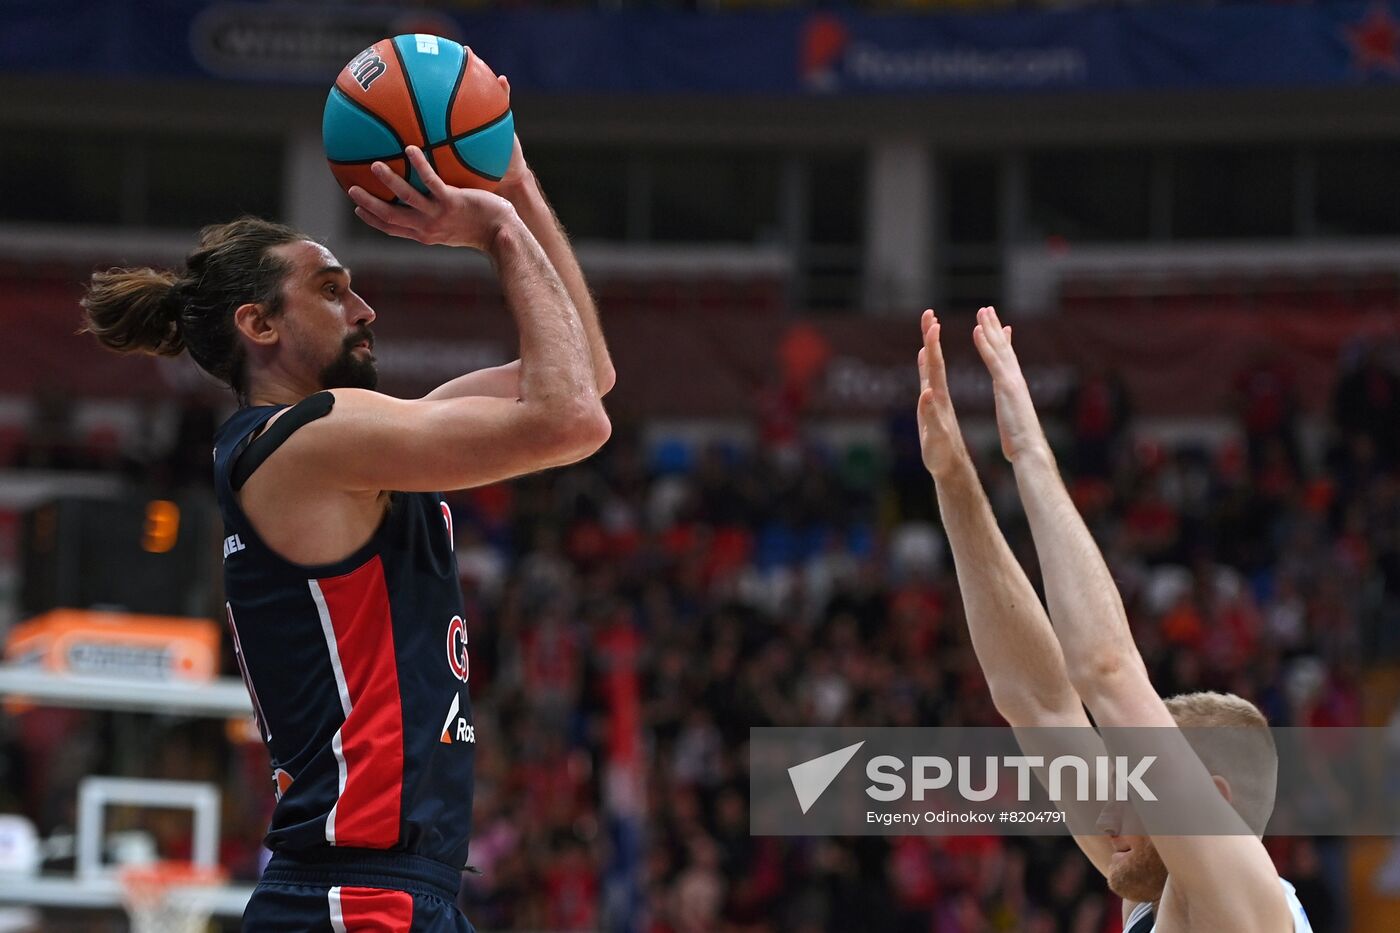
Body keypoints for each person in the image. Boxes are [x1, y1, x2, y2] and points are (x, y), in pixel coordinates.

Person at [80, 119, 614, 931]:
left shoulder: (349, 446)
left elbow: (586, 377)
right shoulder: (309, 441)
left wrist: (516, 186)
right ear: (259, 326)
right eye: (331, 290)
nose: (364, 308)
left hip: (387, 891)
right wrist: (498, 229)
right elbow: (571, 418)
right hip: (351, 898)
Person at [914, 306, 1312, 932]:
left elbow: (1106, 670)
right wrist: (954, 476)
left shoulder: (1252, 911)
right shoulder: (1155, 891)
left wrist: (1029, 452)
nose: (1106, 810)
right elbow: (1037, 700)